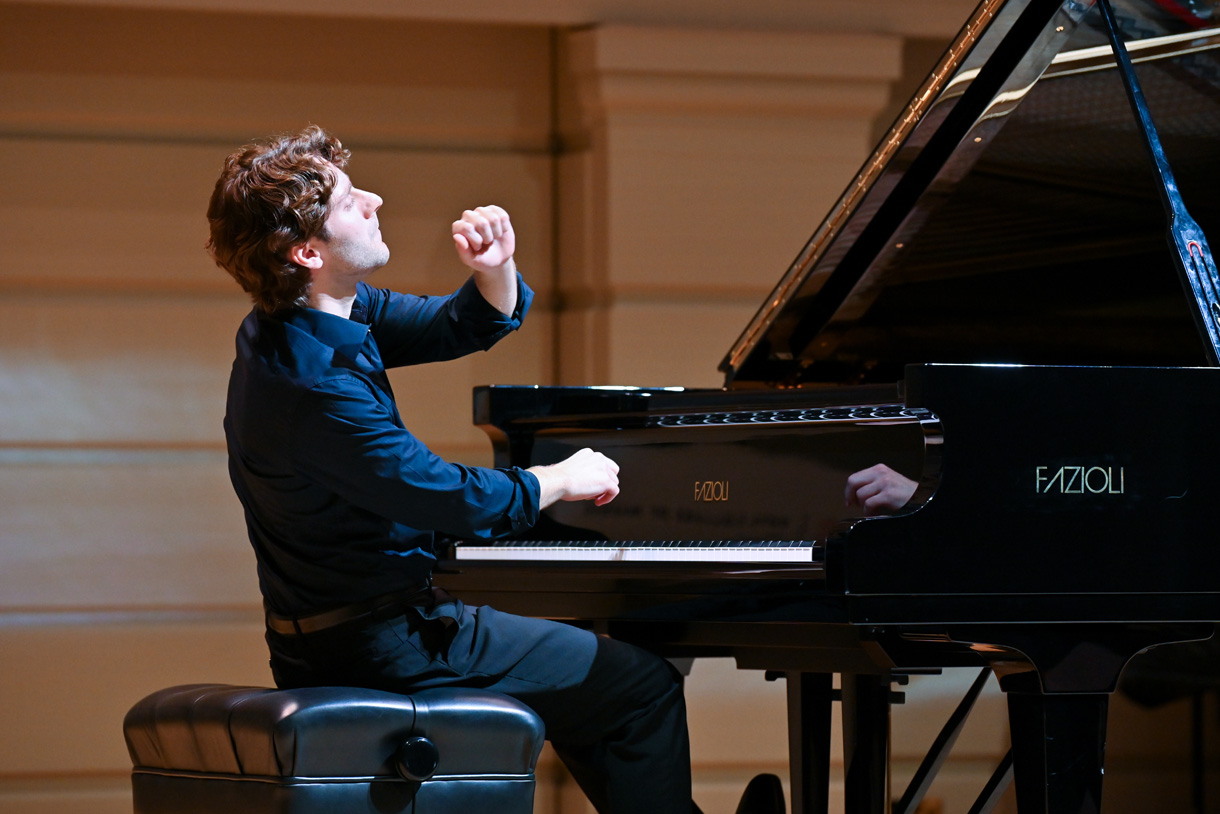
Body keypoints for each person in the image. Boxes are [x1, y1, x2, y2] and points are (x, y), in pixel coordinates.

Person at [208, 125, 694, 814]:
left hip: (351, 630)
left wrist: (494, 267)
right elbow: (438, 493)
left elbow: (453, 326)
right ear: (307, 250)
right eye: (350, 201)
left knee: (599, 684)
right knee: (641, 687)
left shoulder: (299, 317)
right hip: (382, 644)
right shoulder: (313, 384)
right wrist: (557, 479)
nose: (375, 198)